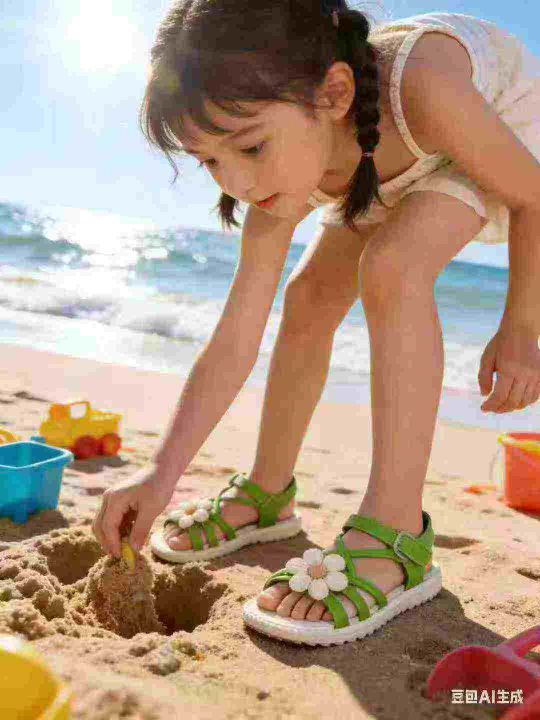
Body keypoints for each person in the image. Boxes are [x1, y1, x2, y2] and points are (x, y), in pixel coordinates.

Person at [93, 0, 540, 645]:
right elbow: (236, 338)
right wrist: (160, 475)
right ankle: (267, 491)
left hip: (500, 137)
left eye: (251, 146)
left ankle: (397, 534)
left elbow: (532, 194)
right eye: (210, 161)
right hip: (372, 157)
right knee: (307, 299)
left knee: (392, 266)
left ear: (332, 94)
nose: (238, 182)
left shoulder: (424, 87)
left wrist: (520, 326)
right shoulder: (284, 168)